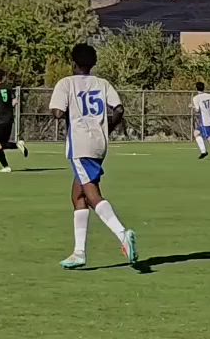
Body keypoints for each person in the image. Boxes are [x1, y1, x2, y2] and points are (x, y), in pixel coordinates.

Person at [50, 44, 138, 269]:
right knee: (77, 195)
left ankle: (122, 234)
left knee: (91, 194)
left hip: (80, 144)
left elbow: (58, 112)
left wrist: (62, 110)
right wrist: (106, 129)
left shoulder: (66, 83)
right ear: (93, 63)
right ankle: (79, 252)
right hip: (99, 143)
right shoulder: (102, 83)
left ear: (73, 62)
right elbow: (118, 109)